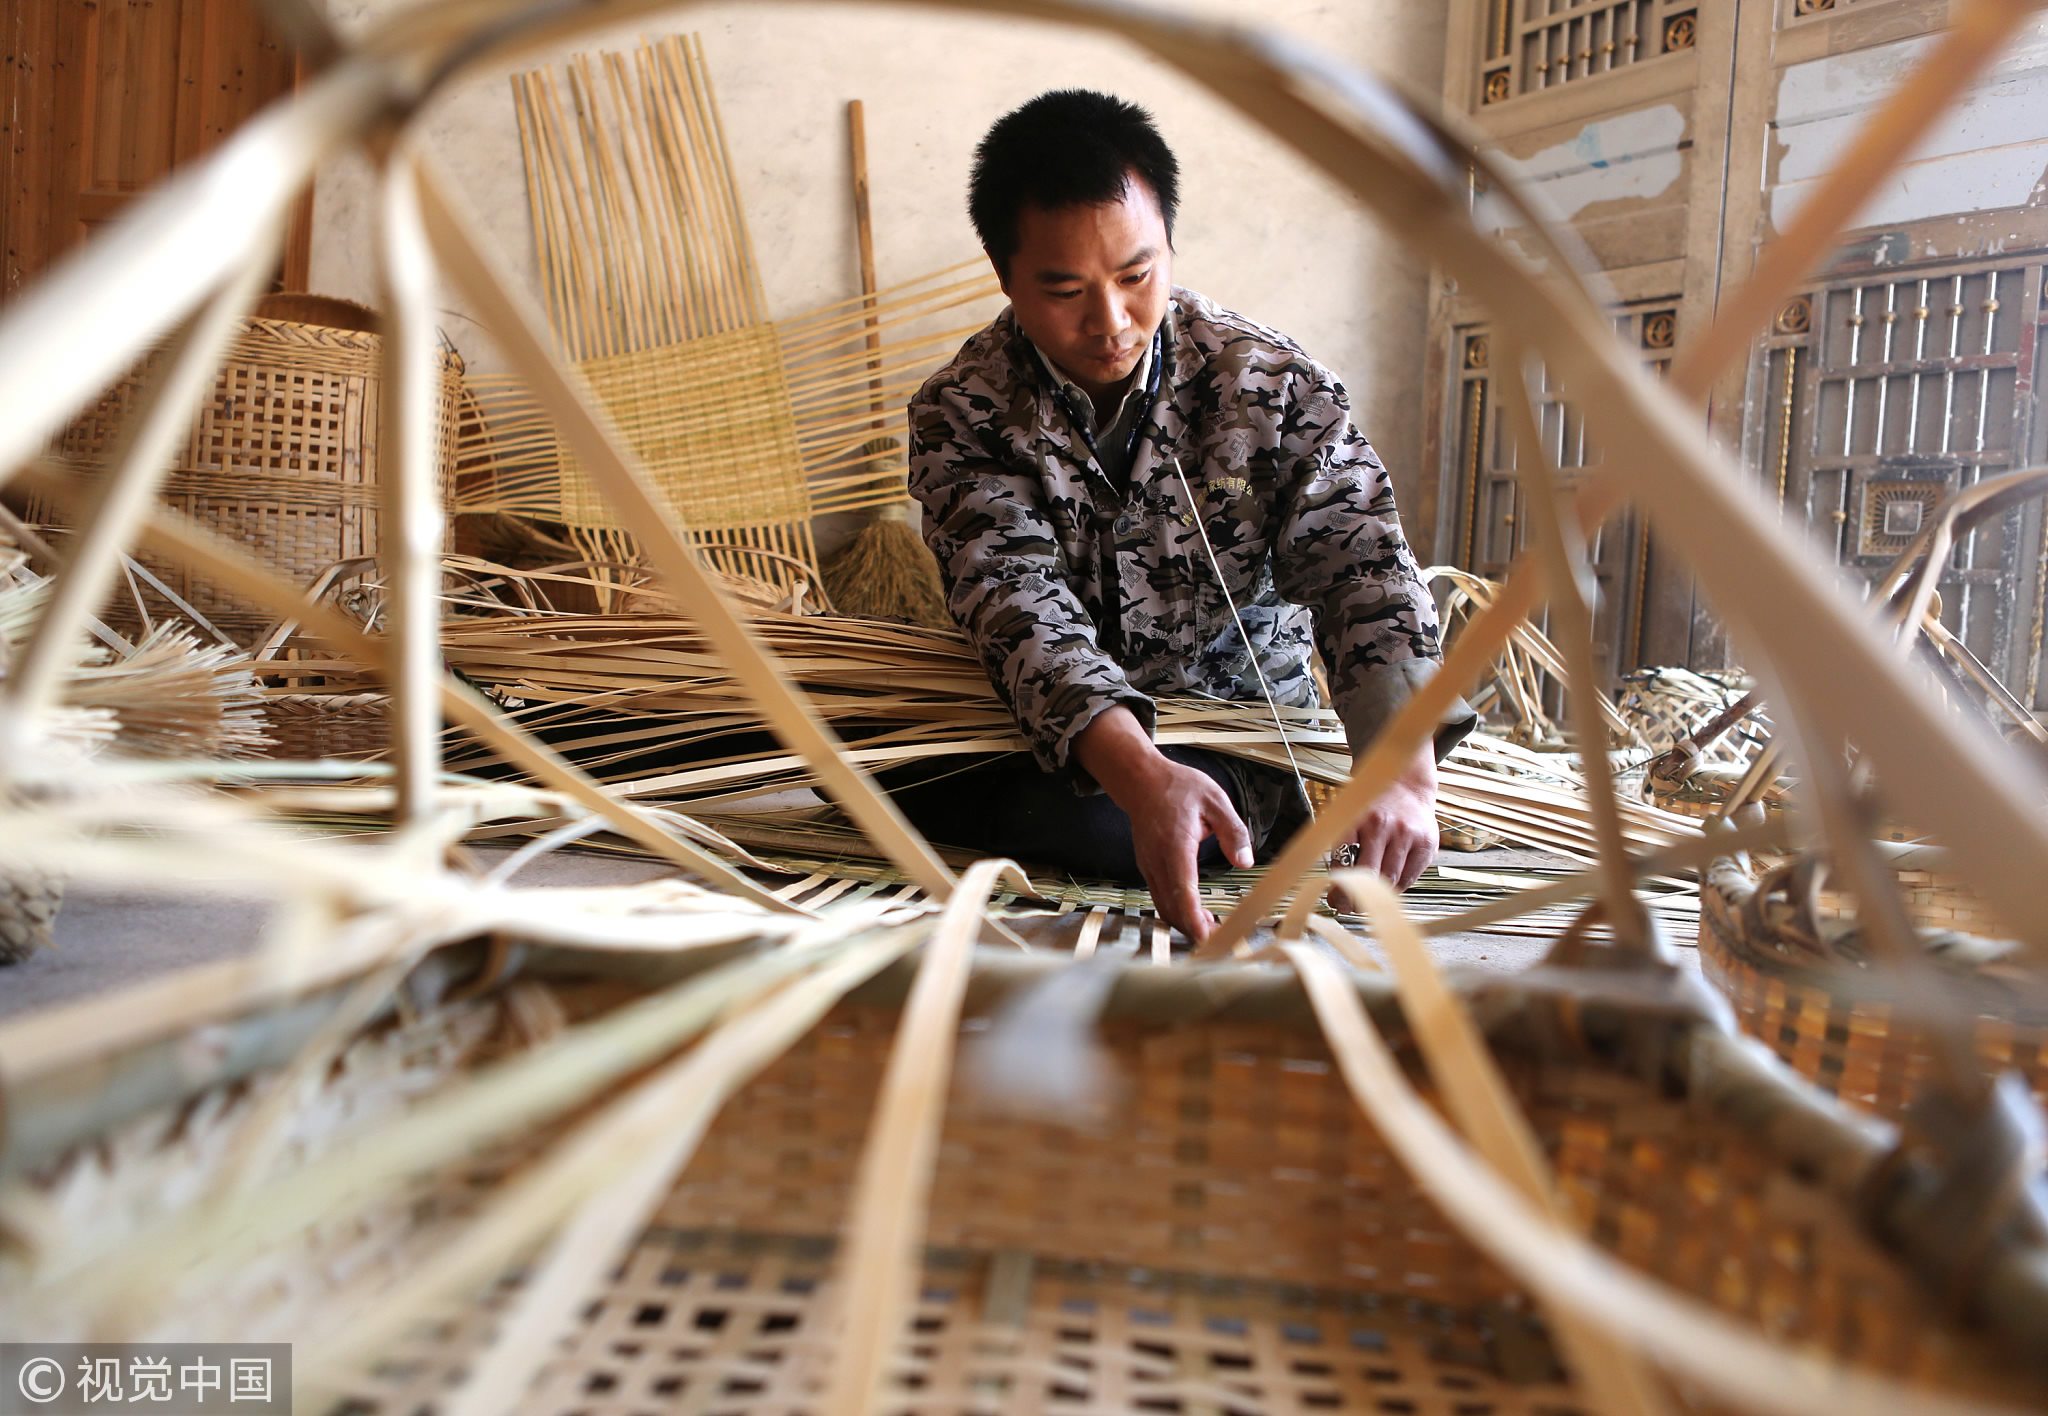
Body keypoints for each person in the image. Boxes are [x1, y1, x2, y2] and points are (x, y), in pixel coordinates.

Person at [897, 89, 1474, 944]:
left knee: (1107, 831)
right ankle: (1144, 807)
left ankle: (1183, 818)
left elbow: (1365, 573)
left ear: (1170, 241)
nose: (1111, 321)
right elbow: (1016, 606)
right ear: (1005, 276)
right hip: (1058, 732)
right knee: (852, 761)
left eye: (1137, 275)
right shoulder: (963, 409)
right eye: (1064, 290)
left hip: (1236, 734)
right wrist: (1135, 772)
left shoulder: (1269, 385)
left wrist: (1401, 775)